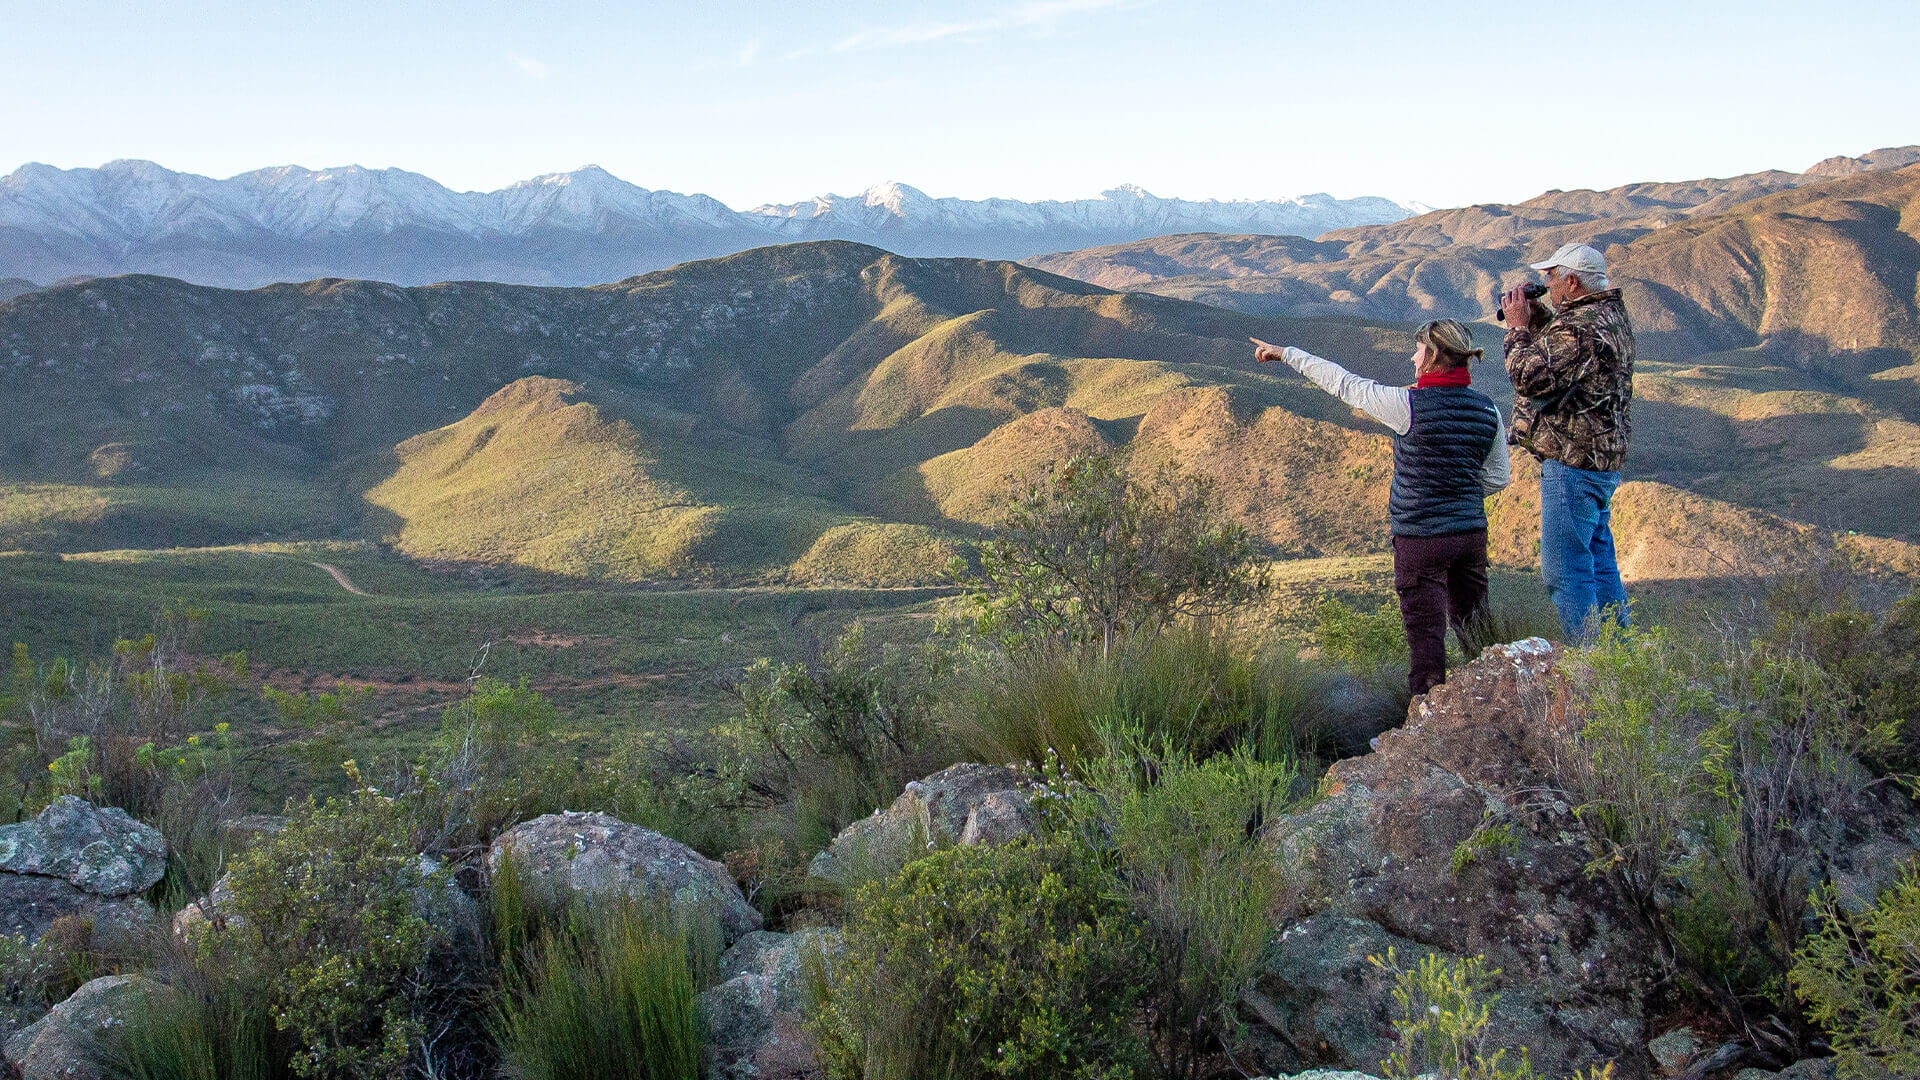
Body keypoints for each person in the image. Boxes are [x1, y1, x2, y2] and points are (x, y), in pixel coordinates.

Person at [1251, 320, 1510, 698]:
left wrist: (1287, 354)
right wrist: (1460, 494)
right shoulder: (1489, 412)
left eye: (1418, 350)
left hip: (1420, 539)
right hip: (1470, 534)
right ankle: (1491, 702)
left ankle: (1425, 723)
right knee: (1475, 626)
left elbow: (1344, 384)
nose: (1412, 356)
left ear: (1433, 357)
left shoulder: (1406, 407)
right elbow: (1499, 478)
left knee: (1426, 636)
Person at [1500, 242, 1635, 642]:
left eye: (1551, 276)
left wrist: (1517, 330)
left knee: (1564, 570)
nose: (1547, 282)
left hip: (1574, 462)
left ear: (1572, 281)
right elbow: (1567, 360)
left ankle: (1591, 665)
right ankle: (1621, 657)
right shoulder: (1607, 315)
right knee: (1597, 563)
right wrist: (1538, 314)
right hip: (1599, 461)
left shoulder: (1581, 327)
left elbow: (1530, 377)